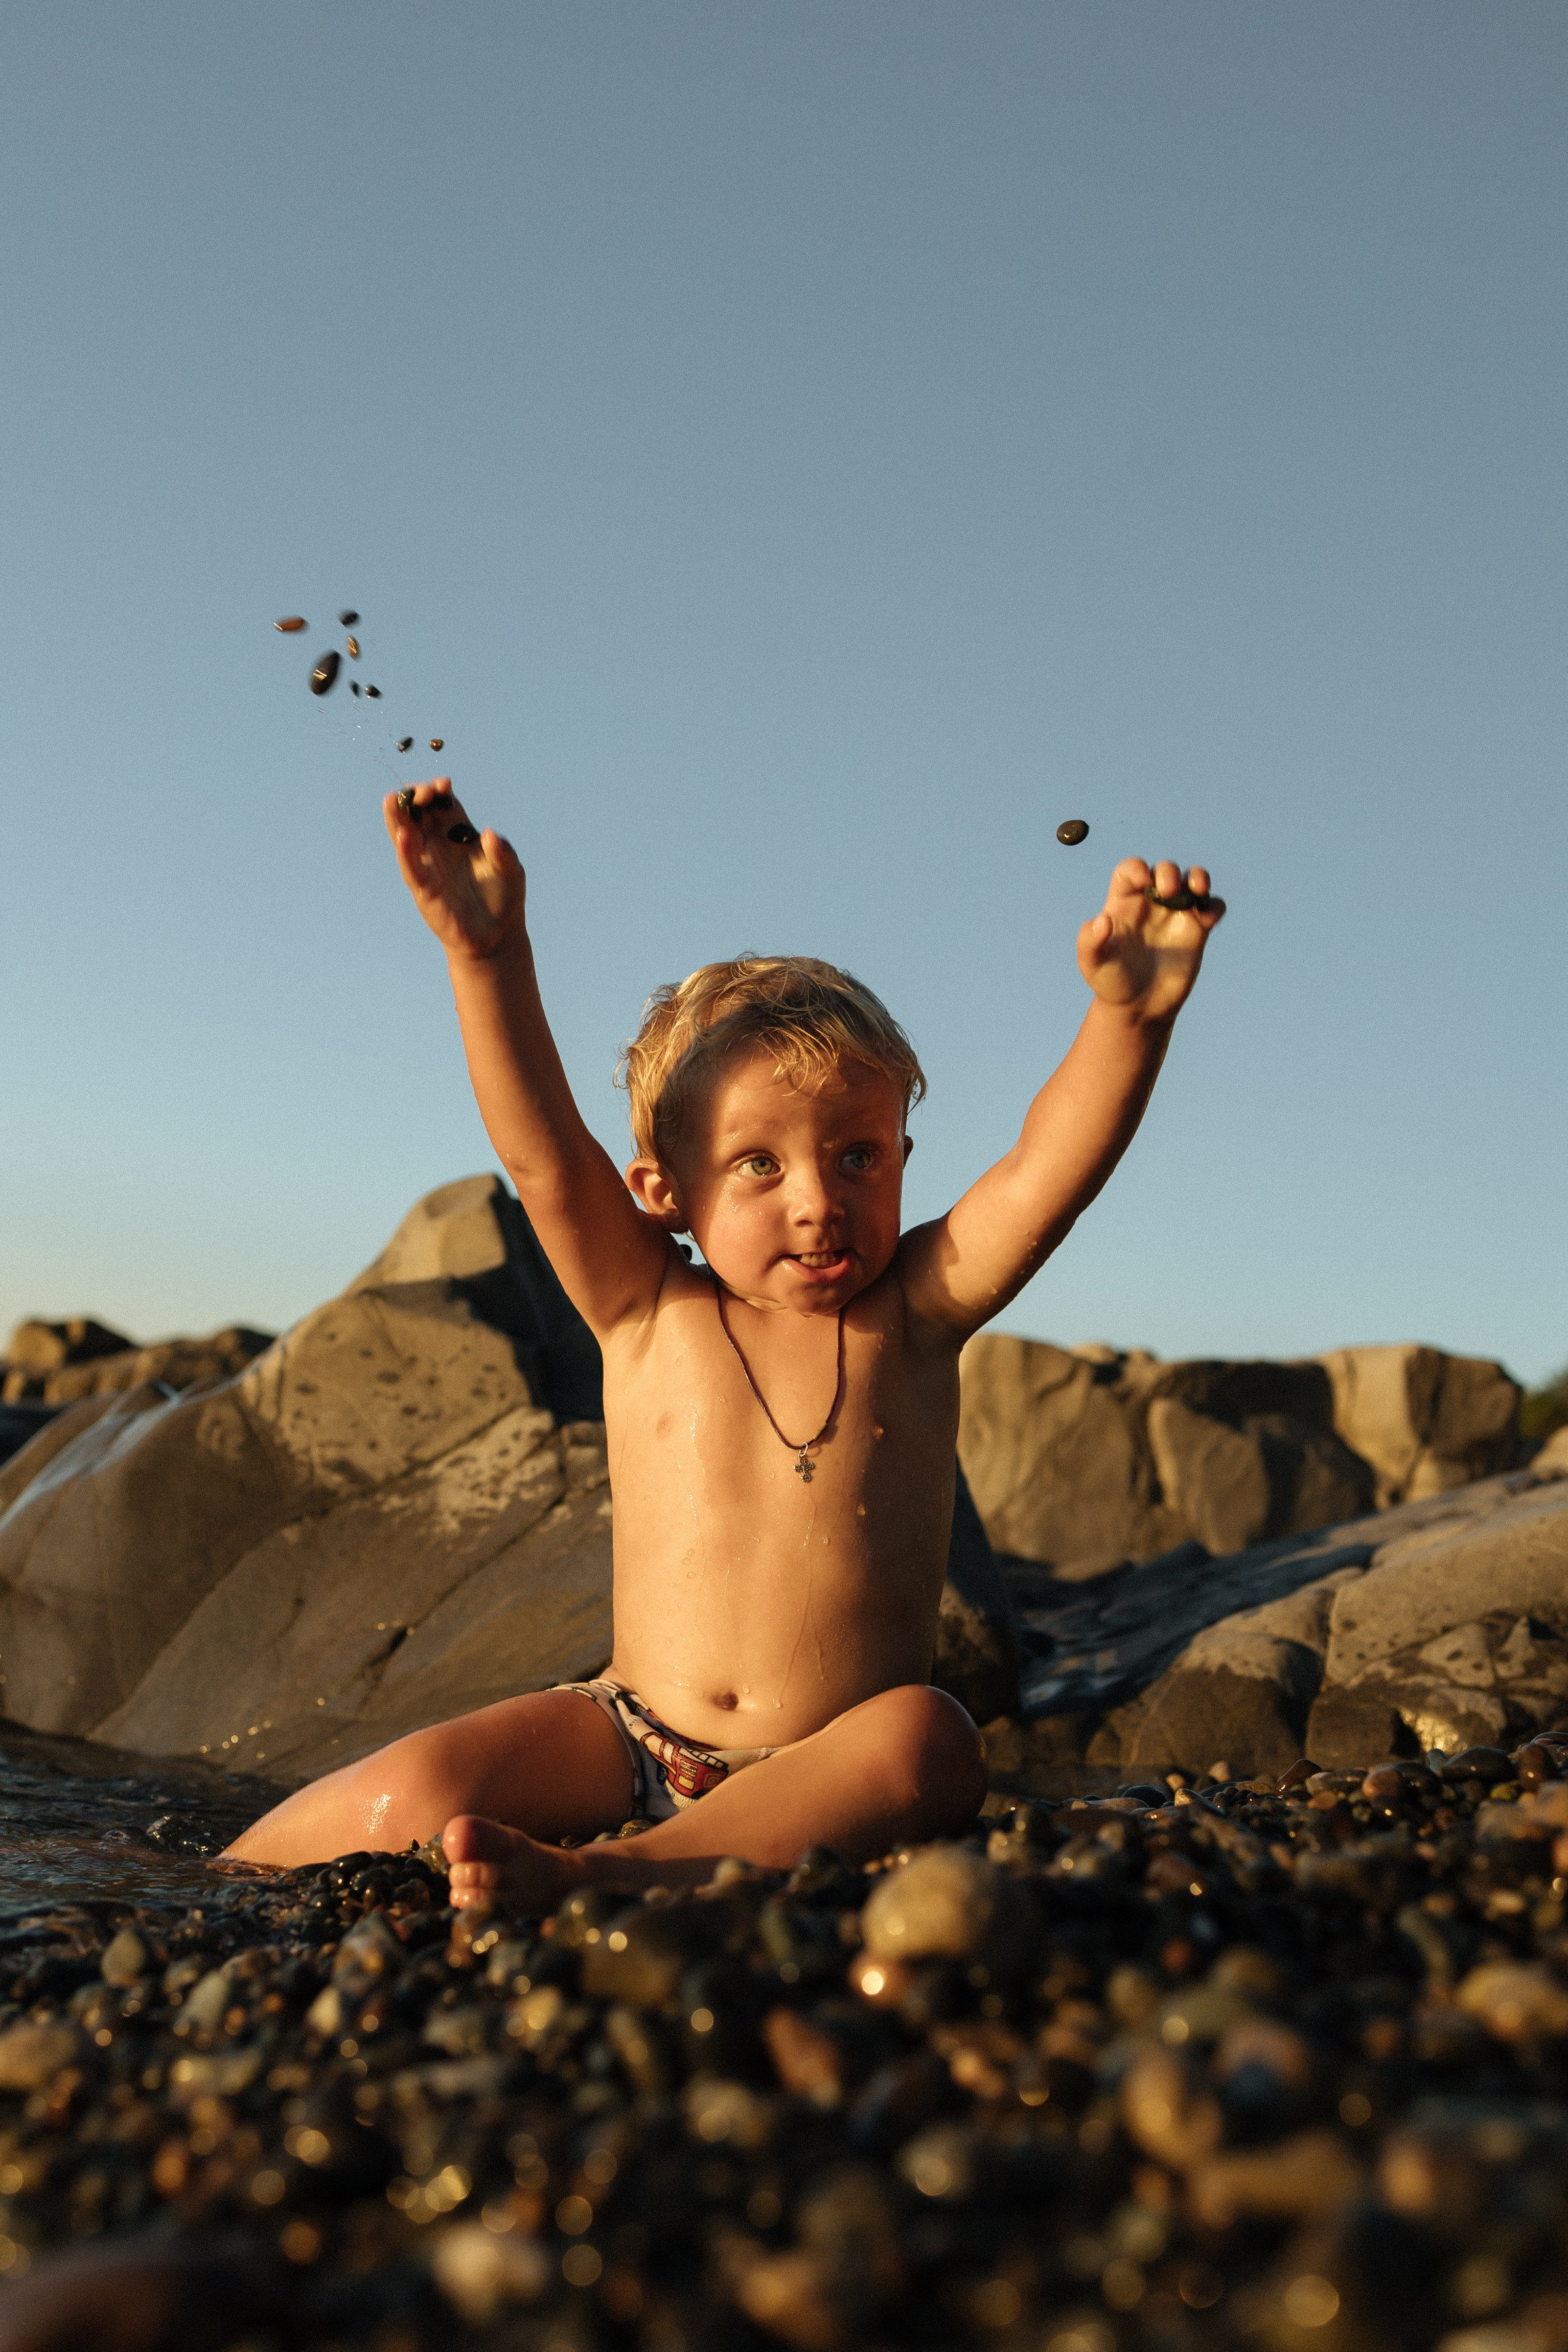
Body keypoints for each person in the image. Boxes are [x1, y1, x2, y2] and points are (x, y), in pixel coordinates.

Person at [226, 780, 1223, 1908]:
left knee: (931, 1738)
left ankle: (610, 1874)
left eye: (858, 1156)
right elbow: (545, 1156)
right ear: (664, 1189)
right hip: (628, 1732)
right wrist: (487, 958)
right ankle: (190, 1874)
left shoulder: (917, 1312)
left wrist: (1129, 1024)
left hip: (827, 1764)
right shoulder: (645, 1306)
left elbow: (1046, 1177)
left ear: (903, 1154)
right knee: (411, 1791)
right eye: (760, 1164)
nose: (818, 1202)